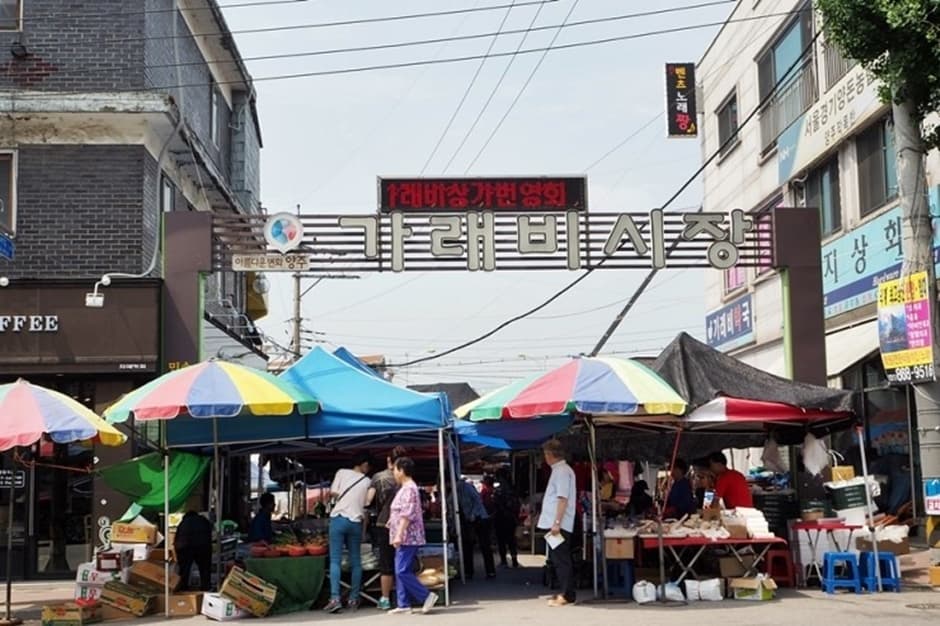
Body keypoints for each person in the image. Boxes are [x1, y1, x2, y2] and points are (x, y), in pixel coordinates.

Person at [388, 457, 439, 615]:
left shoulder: (409, 488)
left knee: (401, 570)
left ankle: (426, 596)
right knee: (402, 569)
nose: (394, 472)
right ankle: (403, 604)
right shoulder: (404, 488)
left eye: (395, 469)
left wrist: (399, 533)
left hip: (408, 537)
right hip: (403, 536)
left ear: (402, 471)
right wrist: (392, 522)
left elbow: (407, 514)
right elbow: (400, 511)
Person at [324, 453, 373, 614]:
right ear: (363, 463)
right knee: (356, 561)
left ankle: (335, 599)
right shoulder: (367, 481)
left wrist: (345, 496)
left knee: (335, 561)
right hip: (355, 523)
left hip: (338, 519)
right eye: (368, 465)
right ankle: (353, 598)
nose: (368, 469)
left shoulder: (341, 472)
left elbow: (333, 492)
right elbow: (366, 504)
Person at [367, 446, 406, 611]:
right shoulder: (404, 478)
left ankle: (385, 599)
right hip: (403, 524)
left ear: (388, 460)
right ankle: (402, 599)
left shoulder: (378, 477)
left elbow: (368, 501)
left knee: (386, 563)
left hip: (384, 523)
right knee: (403, 562)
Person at [538, 439, 576, 607]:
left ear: (550, 454)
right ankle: (565, 592)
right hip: (558, 522)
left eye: (545, 454)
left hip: (559, 523)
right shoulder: (559, 470)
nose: (545, 457)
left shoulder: (561, 471)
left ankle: (567, 594)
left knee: (561, 560)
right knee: (558, 559)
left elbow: (562, 498)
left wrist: (557, 523)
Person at [457, 476, 496, 579]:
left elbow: (478, 500)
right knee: (467, 545)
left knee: (484, 545)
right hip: (469, 519)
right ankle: (468, 571)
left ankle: (490, 571)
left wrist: (473, 514)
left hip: (480, 518)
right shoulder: (455, 491)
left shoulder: (467, 488)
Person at [174, 510, 212, 591]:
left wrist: (177, 552)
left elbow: (178, 537)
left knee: (184, 569)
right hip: (203, 546)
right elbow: (210, 532)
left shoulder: (183, 522)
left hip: (186, 547)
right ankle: (206, 587)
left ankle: (183, 587)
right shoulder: (203, 520)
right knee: (204, 568)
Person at [493, 468, 520, 568]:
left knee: (501, 540)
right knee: (511, 540)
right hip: (511, 517)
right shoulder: (513, 488)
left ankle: (504, 561)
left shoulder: (499, 489)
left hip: (501, 518)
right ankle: (514, 560)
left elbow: (496, 503)